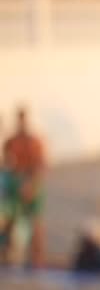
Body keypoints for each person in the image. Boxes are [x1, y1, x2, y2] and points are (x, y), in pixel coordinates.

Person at [3, 108, 46, 267]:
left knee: (35, 225)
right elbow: (7, 164)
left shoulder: (34, 141)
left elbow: (41, 166)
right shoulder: (11, 141)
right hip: (16, 186)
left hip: (32, 186)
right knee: (11, 221)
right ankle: (10, 259)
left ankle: (36, 263)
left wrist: (31, 185)